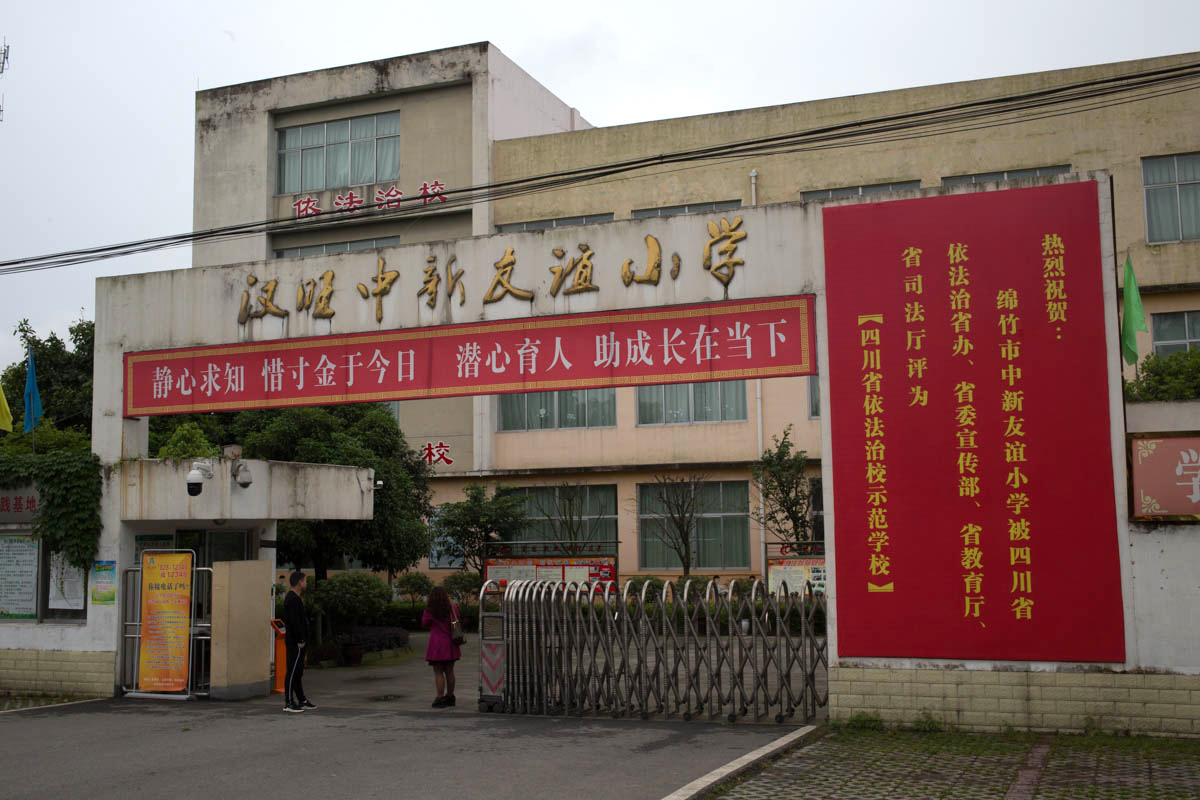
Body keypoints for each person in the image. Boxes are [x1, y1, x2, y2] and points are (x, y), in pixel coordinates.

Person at [421, 586, 462, 708]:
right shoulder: (452, 608)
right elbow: (458, 619)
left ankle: (439, 697)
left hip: (436, 645)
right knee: (450, 671)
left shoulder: (430, 610)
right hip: (451, 643)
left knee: (438, 672)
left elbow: (425, 623)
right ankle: (450, 697)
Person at [282, 570, 316, 712]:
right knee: (292, 671)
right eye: (305, 581)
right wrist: (300, 639)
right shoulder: (291, 599)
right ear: (299, 582)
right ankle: (289, 702)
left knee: (298, 671)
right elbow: (294, 622)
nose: (306, 583)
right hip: (295, 642)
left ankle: (301, 699)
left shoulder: (296, 598)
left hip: (300, 642)